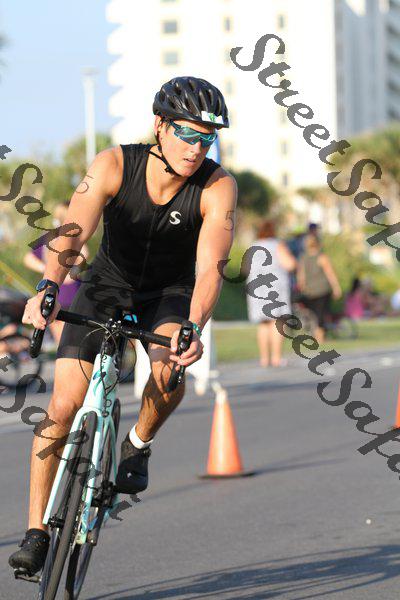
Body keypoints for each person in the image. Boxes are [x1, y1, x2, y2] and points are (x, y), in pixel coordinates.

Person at [9, 76, 237, 576]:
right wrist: (48, 287)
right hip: (106, 286)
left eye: (207, 138)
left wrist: (193, 326)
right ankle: (36, 531)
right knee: (62, 407)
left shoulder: (217, 186)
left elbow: (210, 268)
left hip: (169, 294)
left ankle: (137, 443)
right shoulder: (113, 164)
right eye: (187, 133)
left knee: (168, 370)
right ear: (160, 126)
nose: (196, 148)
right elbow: (73, 233)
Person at [23, 201, 89, 344]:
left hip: (52, 291)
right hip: (71, 291)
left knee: (62, 342)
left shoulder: (49, 237)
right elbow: (84, 255)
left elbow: (28, 258)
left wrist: (47, 269)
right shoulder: (73, 236)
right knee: (75, 341)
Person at [246, 220, 296, 367]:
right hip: (275, 287)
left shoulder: (253, 246)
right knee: (277, 321)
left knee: (263, 323)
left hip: (256, 288)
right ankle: (276, 358)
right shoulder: (277, 245)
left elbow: (246, 269)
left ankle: (264, 358)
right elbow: (289, 264)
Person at [297, 234, 342, 344]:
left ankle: (316, 335)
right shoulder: (322, 257)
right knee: (321, 314)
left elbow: (301, 277)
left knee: (313, 314)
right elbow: (330, 273)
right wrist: (336, 288)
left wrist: (302, 287)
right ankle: (320, 338)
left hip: (309, 292)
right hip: (322, 290)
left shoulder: (303, 258)